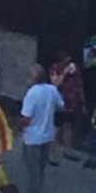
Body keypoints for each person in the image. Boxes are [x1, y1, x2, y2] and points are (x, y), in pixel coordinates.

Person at [20, 63, 64, 193]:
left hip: (32, 138)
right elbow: (61, 105)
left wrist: (17, 124)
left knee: (32, 169)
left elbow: (26, 118)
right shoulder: (52, 90)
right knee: (41, 167)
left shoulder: (31, 94)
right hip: (47, 135)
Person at [48, 49, 84, 163]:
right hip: (60, 102)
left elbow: (79, 84)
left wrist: (82, 101)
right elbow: (55, 83)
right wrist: (64, 72)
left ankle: (67, 150)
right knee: (57, 127)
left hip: (72, 102)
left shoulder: (75, 68)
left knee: (69, 126)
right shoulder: (55, 68)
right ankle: (50, 152)